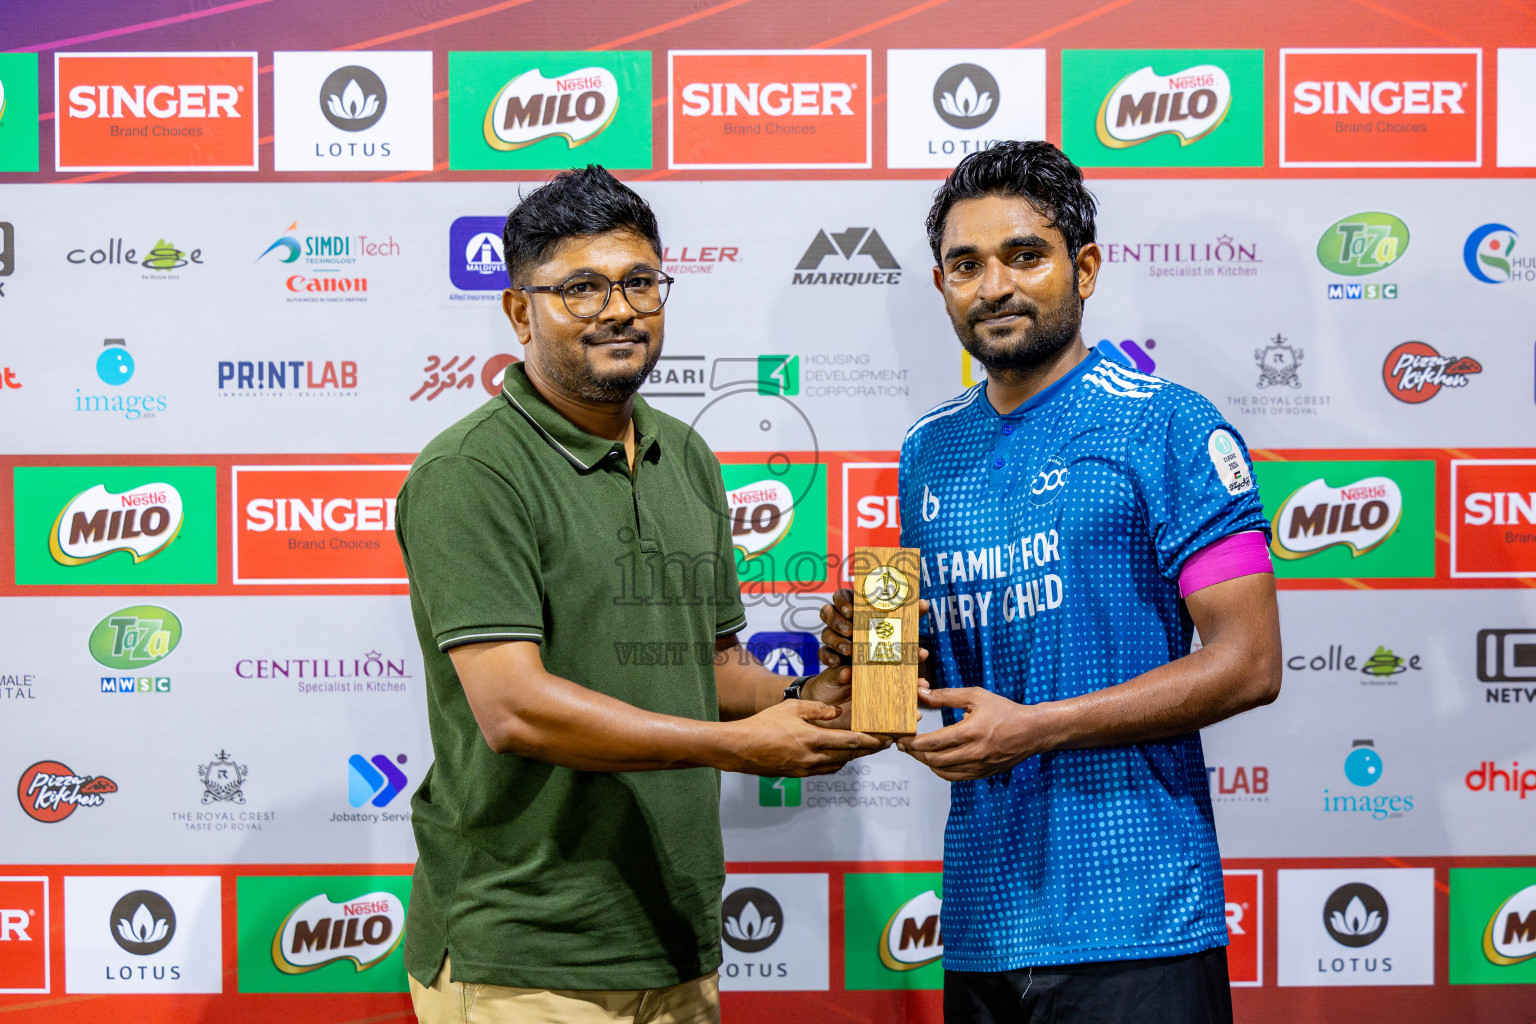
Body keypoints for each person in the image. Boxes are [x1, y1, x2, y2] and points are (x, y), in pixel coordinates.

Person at [396, 165, 886, 1024]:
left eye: (639, 282)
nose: (618, 308)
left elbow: (710, 669)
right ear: (519, 311)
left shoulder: (684, 456)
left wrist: (810, 699)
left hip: (676, 933)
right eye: (580, 287)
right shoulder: (469, 472)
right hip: (527, 953)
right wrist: (734, 750)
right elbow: (515, 710)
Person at [820, 141, 1282, 1024]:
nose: (994, 285)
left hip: (1136, 922)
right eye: (966, 264)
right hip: (987, 921)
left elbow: (1251, 661)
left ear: (1087, 266)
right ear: (941, 286)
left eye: (1024, 255)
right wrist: (870, 655)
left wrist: (1036, 730)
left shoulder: (1170, 425)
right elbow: (932, 672)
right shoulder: (928, 449)